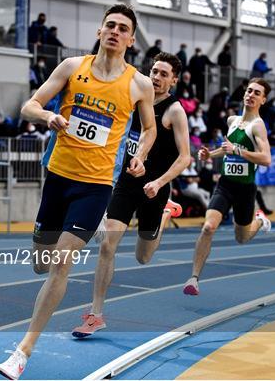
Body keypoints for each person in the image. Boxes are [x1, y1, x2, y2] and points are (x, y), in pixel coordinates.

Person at [0, 4, 156, 379]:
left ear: (131, 40)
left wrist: (141, 155)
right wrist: (48, 115)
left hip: (96, 187)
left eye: (123, 28)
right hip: (58, 179)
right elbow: (27, 105)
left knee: (62, 262)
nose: (115, 32)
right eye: (110, 25)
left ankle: (22, 351)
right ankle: (57, 241)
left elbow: (149, 129)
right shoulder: (71, 67)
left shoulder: (139, 84)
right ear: (100, 31)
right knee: (42, 262)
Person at [70, 52, 189, 338]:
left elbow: (185, 158)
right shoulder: (135, 99)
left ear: (174, 80)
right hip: (126, 183)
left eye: (163, 74)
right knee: (107, 246)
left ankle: (163, 213)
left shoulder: (175, 111)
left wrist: (159, 183)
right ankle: (96, 314)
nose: (156, 77)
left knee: (143, 257)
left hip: (154, 189)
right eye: (154, 71)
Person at [183, 78, 273, 295]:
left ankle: (259, 220)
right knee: (208, 227)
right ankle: (193, 278)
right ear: (244, 94)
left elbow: (266, 159)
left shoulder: (258, 125)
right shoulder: (233, 120)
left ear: (263, 99)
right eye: (249, 91)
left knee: (241, 238)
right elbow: (227, 148)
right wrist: (210, 154)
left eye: (257, 93)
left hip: (245, 189)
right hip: (225, 185)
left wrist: (237, 151)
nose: (251, 95)